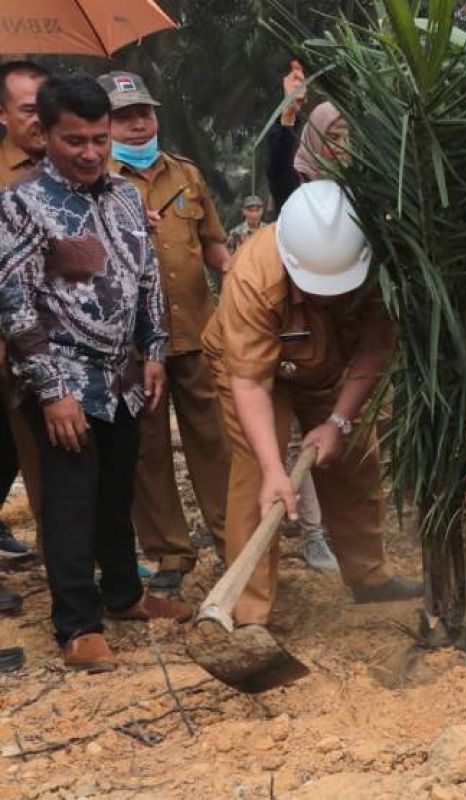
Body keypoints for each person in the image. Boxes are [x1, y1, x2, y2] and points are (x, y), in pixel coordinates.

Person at [0, 74, 192, 672]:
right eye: (74, 140)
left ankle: (124, 595)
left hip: (123, 379)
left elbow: (145, 279)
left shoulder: (128, 199)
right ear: (47, 134)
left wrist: (155, 351)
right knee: (70, 501)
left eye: (98, 140)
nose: (89, 153)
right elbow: (13, 302)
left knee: (116, 494)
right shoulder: (21, 203)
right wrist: (51, 391)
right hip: (62, 383)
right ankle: (77, 625)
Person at [201, 180, 421, 628]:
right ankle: (249, 611)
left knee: (356, 458)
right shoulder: (251, 277)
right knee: (256, 480)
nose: (328, 297)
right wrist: (273, 469)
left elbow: (375, 348)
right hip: (257, 376)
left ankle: (370, 576)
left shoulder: (379, 264)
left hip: (332, 369)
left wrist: (339, 422)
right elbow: (250, 383)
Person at [100, 71, 232, 592]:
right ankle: (171, 553)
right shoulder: (99, 181)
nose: (137, 125)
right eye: (123, 117)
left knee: (215, 441)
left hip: (199, 334)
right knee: (147, 451)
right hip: (133, 348)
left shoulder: (186, 175)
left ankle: (234, 538)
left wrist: (240, 277)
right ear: (104, 124)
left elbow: (213, 244)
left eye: (144, 113)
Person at [261, 72, 347, 572]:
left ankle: (348, 539)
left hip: (341, 336)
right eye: (333, 138)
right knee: (291, 444)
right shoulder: (297, 183)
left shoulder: (368, 192)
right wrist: (288, 112)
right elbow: (277, 167)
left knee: (336, 432)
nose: (344, 148)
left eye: (349, 138)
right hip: (288, 331)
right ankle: (312, 535)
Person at [0, 60, 49, 562]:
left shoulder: (74, 167)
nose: (39, 119)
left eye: (45, 106)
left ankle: (86, 557)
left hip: (53, 349)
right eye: (28, 109)